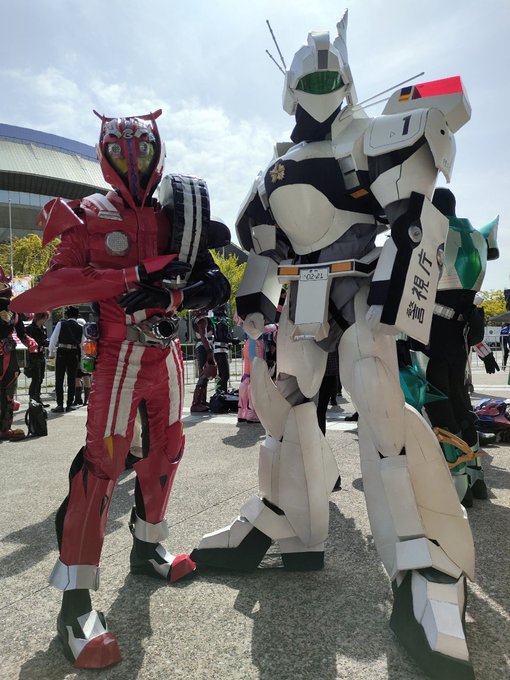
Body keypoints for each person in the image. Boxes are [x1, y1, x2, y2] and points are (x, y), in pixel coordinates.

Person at [191, 13, 477, 679]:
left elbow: (411, 222)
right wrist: (254, 302)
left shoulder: (369, 138)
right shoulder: (276, 167)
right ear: (290, 89)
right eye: (310, 79)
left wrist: (390, 299)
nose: (320, 88)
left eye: (329, 77)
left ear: (345, 83)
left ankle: (428, 561)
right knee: (284, 405)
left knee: (375, 392)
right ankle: (289, 520)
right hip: (303, 296)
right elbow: (265, 248)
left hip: (357, 287)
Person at [11, 109, 230, 668]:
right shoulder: (86, 213)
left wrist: (174, 295)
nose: (135, 161)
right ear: (105, 154)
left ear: (159, 151)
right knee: (102, 465)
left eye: (144, 150)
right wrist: (133, 276)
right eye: (122, 150)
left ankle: (147, 547)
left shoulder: (178, 213)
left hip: (166, 353)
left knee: (168, 451)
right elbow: (47, 290)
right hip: (117, 354)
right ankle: (75, 602)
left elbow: (215, 283)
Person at [412, 188, 499, 507]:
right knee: (461, 402)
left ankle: (457, 484)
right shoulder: (479, 237)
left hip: (431, 331)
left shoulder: (431, 233)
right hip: (458, 335)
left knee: (438, 402)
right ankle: (476, 477)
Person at [0, 267, 38, 440]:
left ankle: (4, 428)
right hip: (7, 354)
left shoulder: (14, 312)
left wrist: (29, 341)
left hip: (9, 356)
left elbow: (21, 332)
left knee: (8, 393)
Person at [48, 306, 83, 413]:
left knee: (59, 379)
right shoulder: (80, 327)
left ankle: (59, 404)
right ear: (77, 316)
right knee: (71, 380)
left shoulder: (61, 324)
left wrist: (51, 352)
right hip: (73, 353)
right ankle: (69, 404)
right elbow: (82, 344)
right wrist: (82, 357)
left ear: (67, 315)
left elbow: (53, 339)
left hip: (62, 352)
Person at [190, 310, 216, 412]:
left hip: (203, 347)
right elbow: (203, 336)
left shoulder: (200, 319)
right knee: (204, 375)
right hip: (203, 348)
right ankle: (196, 403)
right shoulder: (202, 320)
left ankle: (202, 401)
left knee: (205, 375)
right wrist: (209, 350)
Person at [25, 311, 50, 406]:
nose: (45, 321)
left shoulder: (44, 329)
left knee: (40, 378)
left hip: (41, 354)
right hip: (33, 355)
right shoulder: (30, 328)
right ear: (39, 318)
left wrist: (46, 343)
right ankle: (33, 399)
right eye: (45, 318)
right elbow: (28, 341)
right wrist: (42, 342)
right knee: (36, 378)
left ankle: (37, 399)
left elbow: (45, 340)